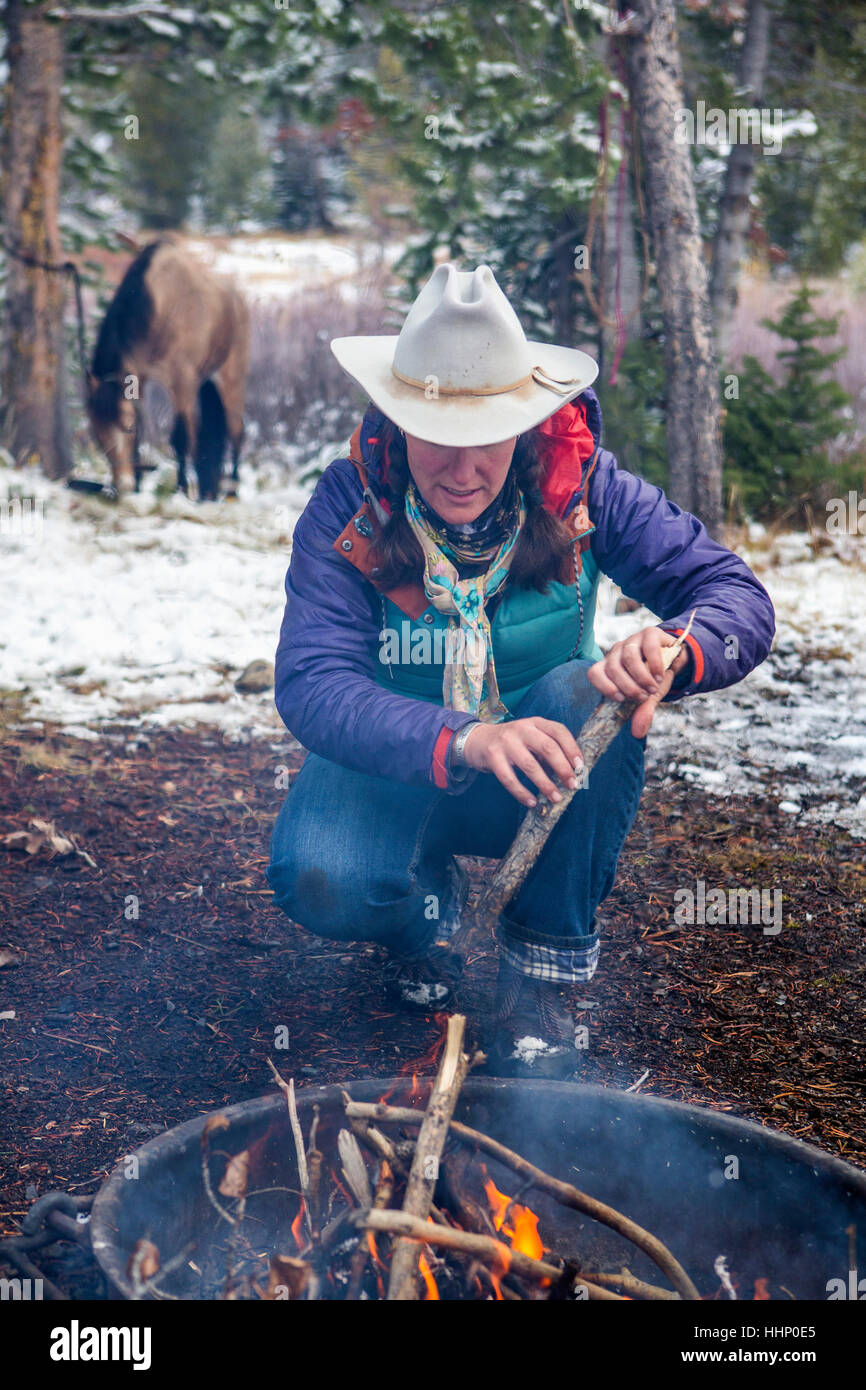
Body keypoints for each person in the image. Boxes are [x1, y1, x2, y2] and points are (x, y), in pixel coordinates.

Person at [267, 263, 775, 1077]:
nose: (463, 469)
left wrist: (678, 648)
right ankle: (419, 924)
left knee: (588, 688)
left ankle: (540, 983)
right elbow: (312, 684)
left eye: (487, 438)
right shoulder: (348, 506)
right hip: (395, 770)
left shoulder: (583, 487)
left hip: (541, 781)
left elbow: (733, 593)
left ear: (526, 425)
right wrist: (464, 737)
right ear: (397, 423)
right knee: (321, 873)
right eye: (437, 436)